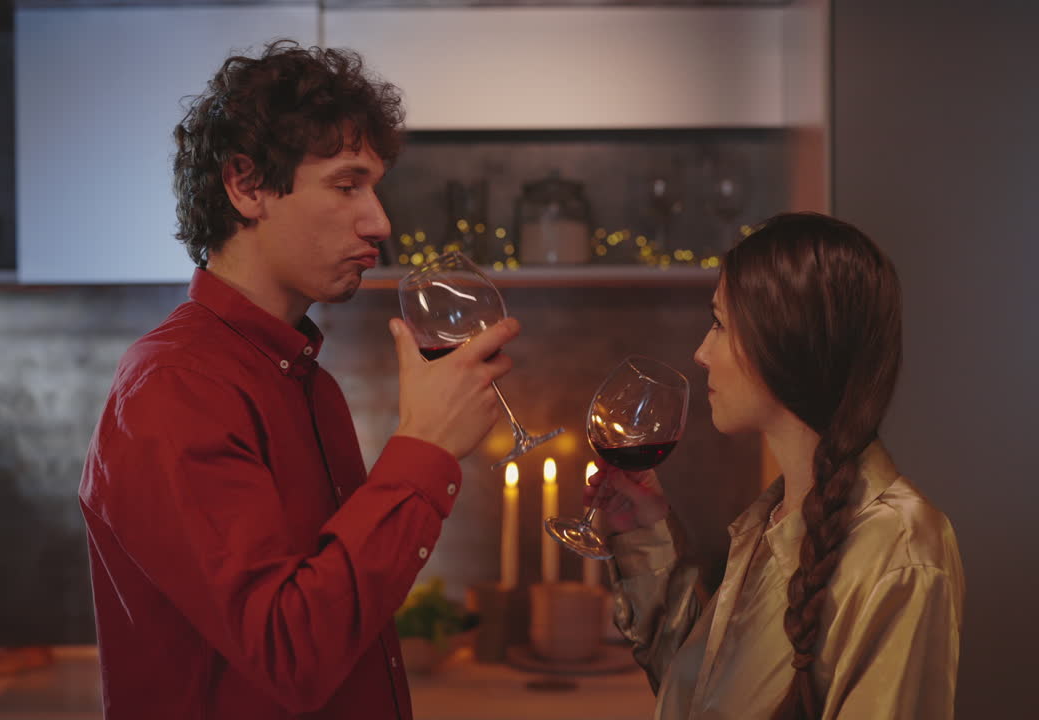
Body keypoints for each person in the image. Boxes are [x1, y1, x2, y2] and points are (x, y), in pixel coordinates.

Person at [78, 41, 519, 719]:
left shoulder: (302, 378)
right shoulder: (175, 387)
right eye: (347, 185)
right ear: (246, 185)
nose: (380, 221)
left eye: (373, 187)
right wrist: (425, 448)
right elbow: (291, 652)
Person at [585, 212, 965, 719]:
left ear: (783, 341)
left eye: (719, 323)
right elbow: (704, 697)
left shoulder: (904, 551)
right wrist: (645, 534)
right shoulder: (775, 520)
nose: (701, 352)